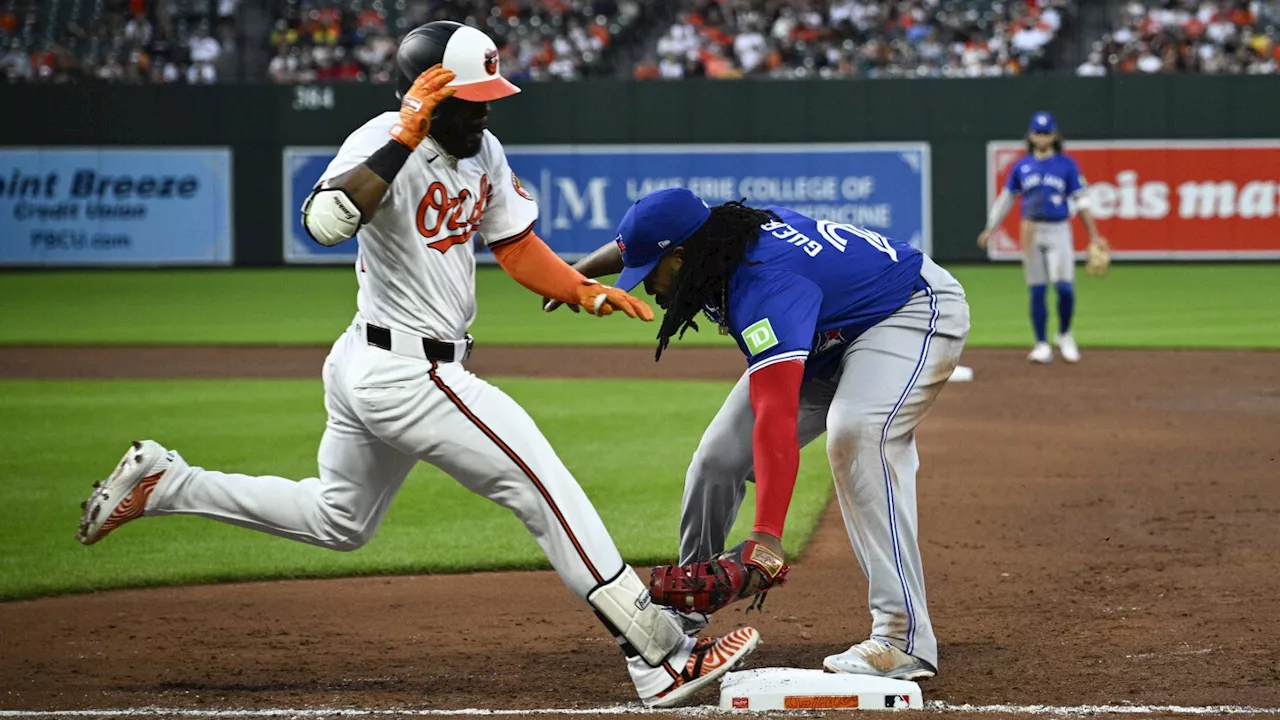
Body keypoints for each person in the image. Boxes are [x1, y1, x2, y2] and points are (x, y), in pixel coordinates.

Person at [75, 22, 759, 709]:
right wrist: (403, 136)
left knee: (340, 520)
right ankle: (661, 658)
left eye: (490, 96)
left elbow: (515, 245)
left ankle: (168, 483)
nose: (486, 110)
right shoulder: (381, 141)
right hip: (409, 372)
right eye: (470, 98)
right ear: (427, 98)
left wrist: (579, 289)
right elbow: (321, 225)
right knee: (544, 488)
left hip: (376, 363)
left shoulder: (481, 148)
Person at [547, 188, 970, 680]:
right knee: (716, 461)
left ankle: (903, 637)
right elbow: (629, 246)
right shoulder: (709, 238)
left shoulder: (764, 285)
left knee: (857, 435)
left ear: (682, 257)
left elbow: (775, 412)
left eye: (650, 272)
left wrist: (766, 535)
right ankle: (685, 609)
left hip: (906, 311)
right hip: (826, 333)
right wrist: (572, 275)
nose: (644, 286)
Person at [978, 111, 1109, 364]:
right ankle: (1041, 344)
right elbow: (1006, 199)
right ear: (1030, 135)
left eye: (1046, 132)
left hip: (1059, 229)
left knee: (1065, 288)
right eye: (1037, 132)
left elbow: (1081, 200)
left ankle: (1064, 334)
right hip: (1031, 230)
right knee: (1037, 290)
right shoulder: (1021, 166)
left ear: (1054, 135)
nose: (1042, 137)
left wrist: (1094, 234)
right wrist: (991, 227)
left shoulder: (1066, 165)